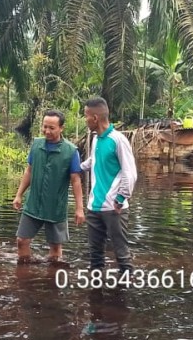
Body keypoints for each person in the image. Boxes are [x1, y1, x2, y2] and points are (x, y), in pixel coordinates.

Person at [12, 109, 86, 264]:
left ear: (61, 128)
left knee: (55, 248)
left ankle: (52, 280)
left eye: (52, 128)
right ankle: (24, 276)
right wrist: (19, 194)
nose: (47, 131)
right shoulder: (36, 145)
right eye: (45, 127)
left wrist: (79, 208)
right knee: (22, 240)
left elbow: (76, 180)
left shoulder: (71, 151)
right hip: (33, 204)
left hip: (55, 207)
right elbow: (29, 170)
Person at [81, 97, 138, 272]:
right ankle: (96, 295)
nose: (85, 120)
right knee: (95, 257)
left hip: (114, 208)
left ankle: (124, 293)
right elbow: (94, 160)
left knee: (121, 255)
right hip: (94, 207)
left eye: (86, 116)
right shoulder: (97, 139)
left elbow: (130, 172)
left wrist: (120, 199)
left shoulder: (118, 140)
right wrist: (78, 167)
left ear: (95, 118)